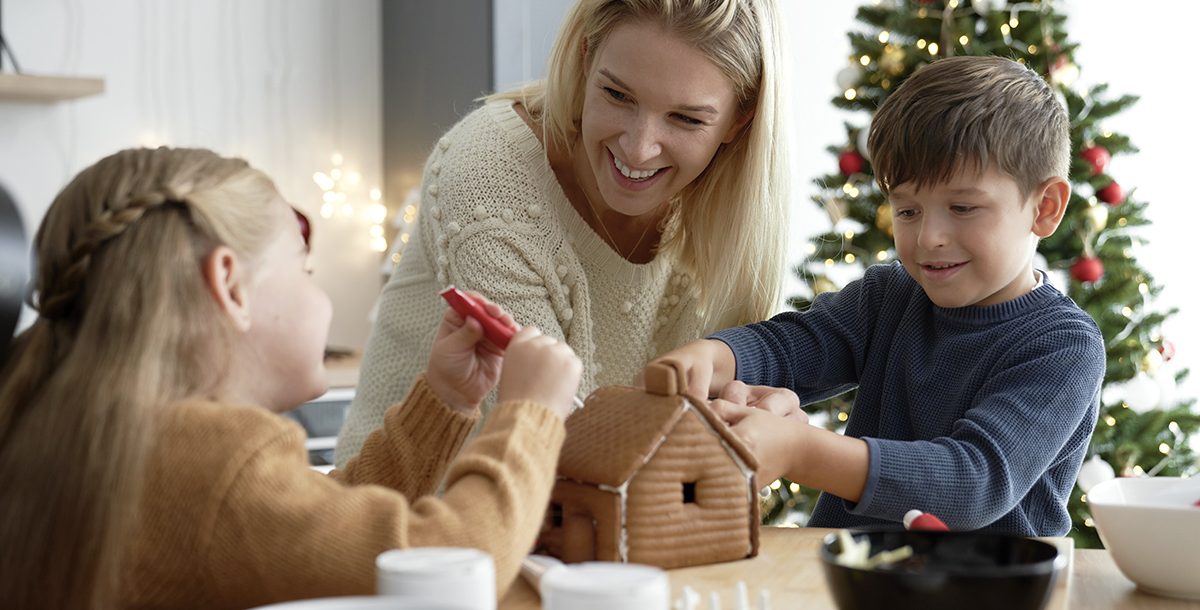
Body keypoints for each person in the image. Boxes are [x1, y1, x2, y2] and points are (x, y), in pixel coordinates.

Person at [0, 147, 582, 609]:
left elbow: (313, 535)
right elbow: (452, 566)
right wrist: (529, 416)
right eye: (304, 269)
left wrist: (445, 401)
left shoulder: (78, 422)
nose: (318, 293)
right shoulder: (209, 459)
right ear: (230, 286)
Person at [650, 56, 1106, 537]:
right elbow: (794, 345)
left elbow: (973, 481)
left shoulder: (1063, 345)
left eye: (963, 207)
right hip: (850, 579)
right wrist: (712, 357)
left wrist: (799, 450)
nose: (929, 237)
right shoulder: (890, 295)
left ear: (1046, 207)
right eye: (907, 211)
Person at [336, 0, 793, 465]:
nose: (638, 149)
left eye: (687, 119)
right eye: (617, 95)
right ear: (584, 55)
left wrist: (760, 424)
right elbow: (554, 441)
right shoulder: (490, 175)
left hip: (608, 529)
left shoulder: (731, 213)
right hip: (417, 523)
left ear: (741, 119)